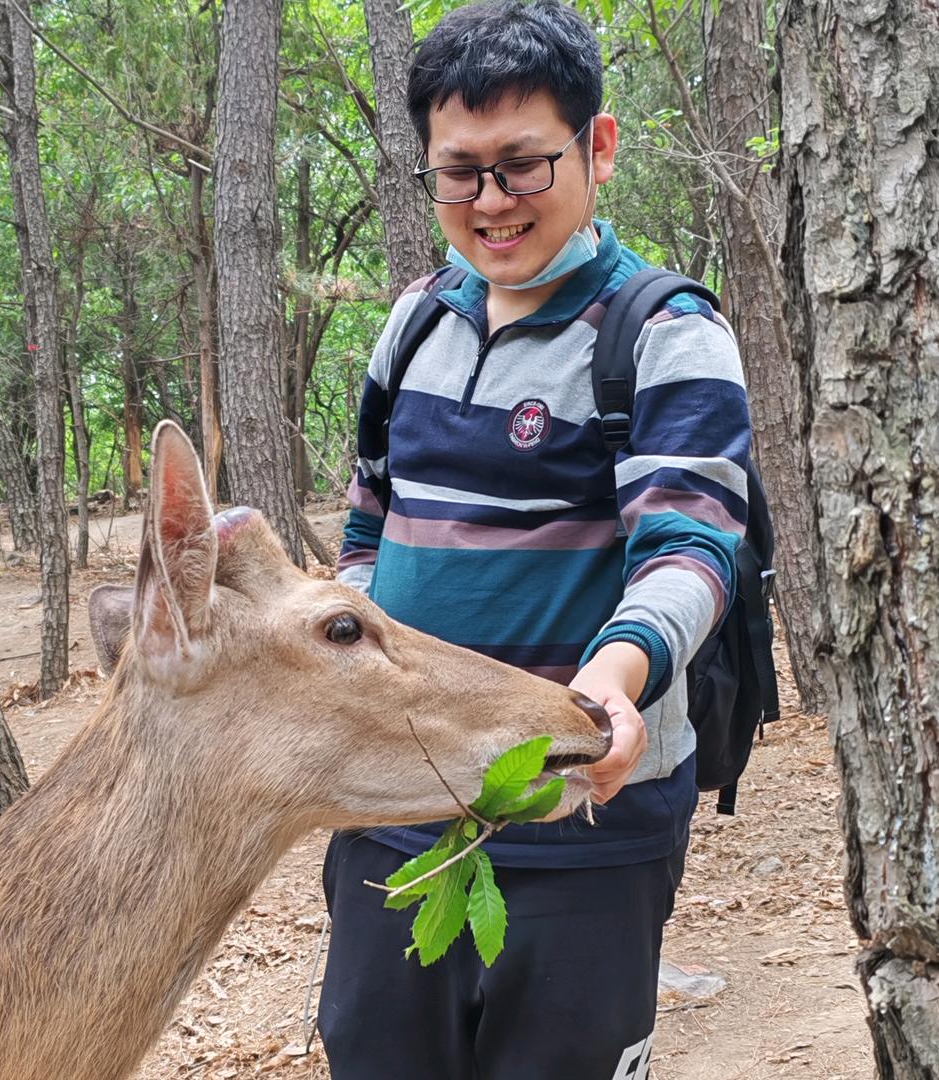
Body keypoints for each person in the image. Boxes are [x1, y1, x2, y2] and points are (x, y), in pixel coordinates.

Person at [319, 1, 750, 1076]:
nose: (491, 203)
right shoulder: (415, 319)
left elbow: (691, 546)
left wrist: (612, 681)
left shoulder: (663, 331)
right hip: (401, 813)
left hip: (583, 817)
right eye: (459, 172)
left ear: (596, 146)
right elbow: (371, 519)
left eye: (523, 166)